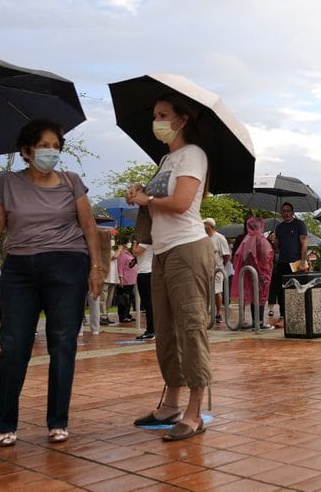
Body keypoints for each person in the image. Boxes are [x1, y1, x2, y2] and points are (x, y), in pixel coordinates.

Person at [0, 118, 104, 447]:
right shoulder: (5, 183)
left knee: (63, 343)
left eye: (56, 146)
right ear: (26, 151)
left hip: (67, 264)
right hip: (20, 269)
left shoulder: (70, 181)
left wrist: (96, 266)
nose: (52, 152)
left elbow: (89, 227)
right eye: (44, 146)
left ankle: (57, 421)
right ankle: (6, 423)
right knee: (14, 346)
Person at [128, 95, 212, 442]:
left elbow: (180, 203)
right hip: (162, 253)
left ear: (182, 120)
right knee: (164, 331)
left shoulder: (193, 155)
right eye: (155, 114)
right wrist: (139, 194)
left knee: (190, 329)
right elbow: (156, 204)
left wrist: (149, 199)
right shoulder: (166, 159)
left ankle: (194, 410)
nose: (157, 121)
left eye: (164, 115)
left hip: (187, 249)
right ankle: (171, 403)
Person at [231, 215, 274, 329]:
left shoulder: (246, 240)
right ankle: (259, 322)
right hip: (262, 273)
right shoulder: (262, 240)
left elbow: (239, 256)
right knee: (261, 297)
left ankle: (256, 321)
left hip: (249, 273)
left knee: (253, 296)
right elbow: (266, 256)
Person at [270, 202, 308, 328]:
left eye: (288, 210)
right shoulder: (279, 228)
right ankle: (283, 316)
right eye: (283, 211)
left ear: (292, 212)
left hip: (296, 262)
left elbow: (304, 243)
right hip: (282, 262)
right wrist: (274, 240)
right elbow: (277, 248)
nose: (285, 213)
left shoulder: (299, 224)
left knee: (298, 289)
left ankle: (299, 314)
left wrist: (302, 262)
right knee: (282, 291)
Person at [203, 218, 230, 324]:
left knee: (216, 291)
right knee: (205, 291)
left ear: (210, 225)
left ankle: (218, 313)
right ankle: (206, 312)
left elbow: (226, 255)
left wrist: (221, 266)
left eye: (205, 224)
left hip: (217, 269)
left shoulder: (219, 238)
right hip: (205, 269)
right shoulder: (204, 238)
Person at [133, 240, 155, 340]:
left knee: (148, 303)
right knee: (150, 303)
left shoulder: (144, 242)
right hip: (148, 271)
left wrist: (134, 243)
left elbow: (136, 252)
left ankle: (151, 330)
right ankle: (152, 329)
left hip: (145, 272)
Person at [99, 235, 120, 326]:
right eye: (111, 238)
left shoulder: (113, 250)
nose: (112, 240)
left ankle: (106, 315)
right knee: (103, 298)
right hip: (106, 278)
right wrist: (120, 248)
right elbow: (114, 256)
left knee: (109, 299)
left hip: (113, 278)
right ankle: (102, 316)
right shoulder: (104, 250)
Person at [115, 237, 137, 323]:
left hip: (131, 279)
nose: (130, 244)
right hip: (125, 279)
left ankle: (127, 314)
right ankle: (123, 316)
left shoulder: (128, 253)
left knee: (129, 298)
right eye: (129, 242)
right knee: (124, 298)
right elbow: (120, 267)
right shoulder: (122, 254)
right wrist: (121, 278)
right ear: (124, 244)